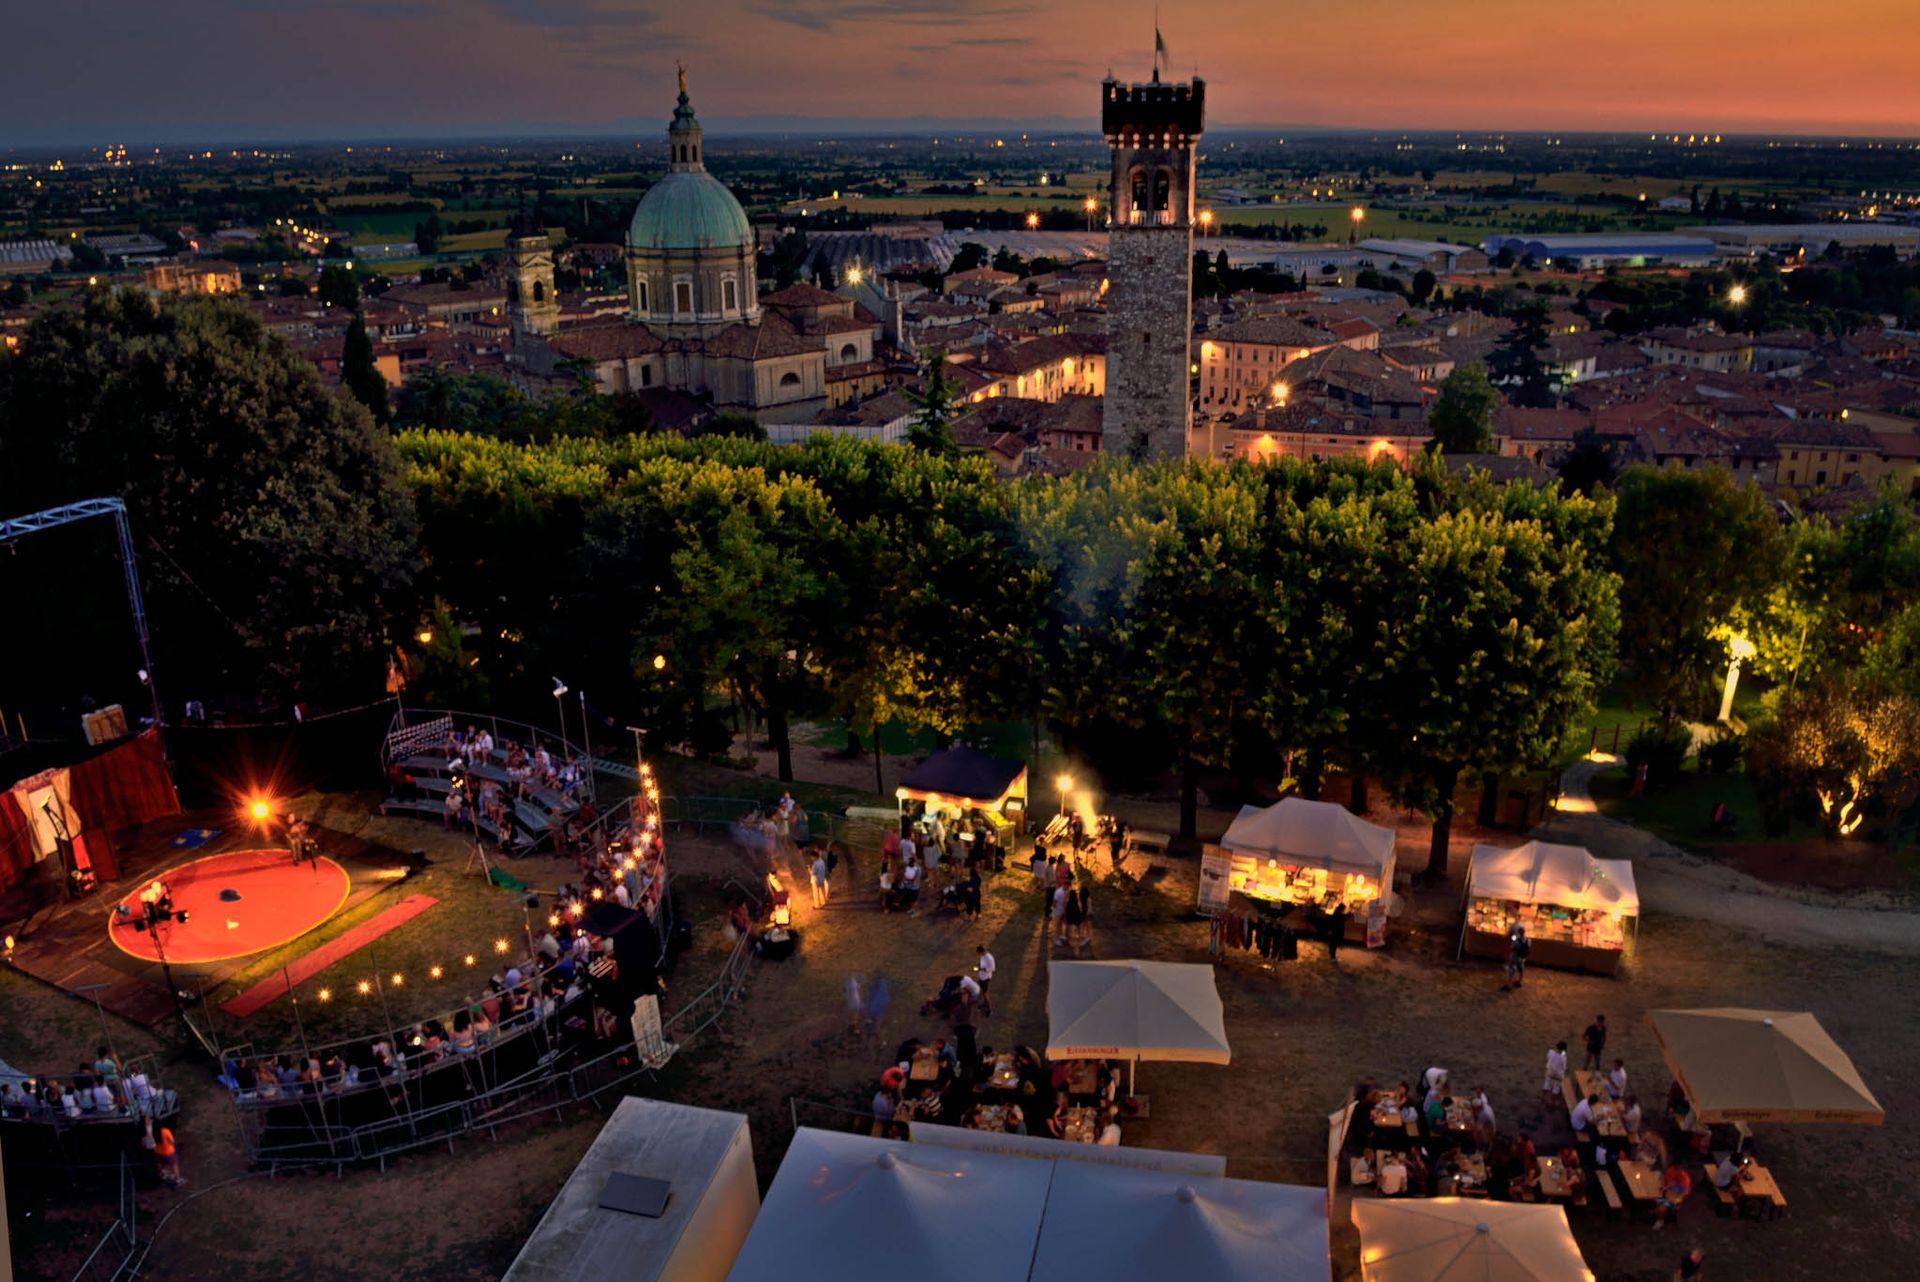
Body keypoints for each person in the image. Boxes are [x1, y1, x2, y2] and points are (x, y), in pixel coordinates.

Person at [1653, 1162, 1691, 1227]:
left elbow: (1685, 1193)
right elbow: (1670, 1183)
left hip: (1674, 1200)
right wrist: (1664, 1187)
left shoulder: (1685, 1179)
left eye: (1679, 1169)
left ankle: (1660, 1221)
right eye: (1676, 1168)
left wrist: (1673, 1197)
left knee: (1661, 1208)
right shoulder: (1671, 1171)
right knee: (1652, 1196)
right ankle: (1655, 1211)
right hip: (1666, 1194)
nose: (1677, 1170)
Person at [1542, 1040, 1569, 1107]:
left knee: (1547, 1084)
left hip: (1550, 1071)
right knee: (1556, 1088)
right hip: (1558, 1074)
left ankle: (1543, 1097)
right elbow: (1564, 1067)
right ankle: (1552, 1102)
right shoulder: (1563, 1057)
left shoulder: (1551, 1052)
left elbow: (1548, 1056)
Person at [1502, 924, 1529, 990]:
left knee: (1512, 970)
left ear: (1518, 932)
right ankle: (1519, 981)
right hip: (1522, 958)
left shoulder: (1517, 940)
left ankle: (1509, 985)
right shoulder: (1528, 940)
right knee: (1521, 969)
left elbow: (1512, 947)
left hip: (1515, 957)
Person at [974, 945, 996, 1016]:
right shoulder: (982, 956)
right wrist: (979, 966)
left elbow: (992, 969)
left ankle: (989, 1009)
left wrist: (982, 969)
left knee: (985, 994)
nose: (978, 954)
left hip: (985, 978)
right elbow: (981, 963)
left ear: (981, 951)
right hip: (981, 976)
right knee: (983, 992)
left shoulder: (989, 958)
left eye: (978, 952)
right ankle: (984, 1003)